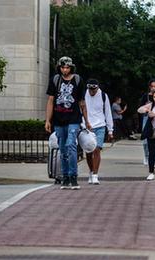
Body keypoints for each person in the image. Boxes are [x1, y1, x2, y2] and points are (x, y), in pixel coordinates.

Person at [45, 56, 91, 190]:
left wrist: (87, 120)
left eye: (67, 67)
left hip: (73, 118)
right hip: (59, 119)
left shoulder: (77, 80)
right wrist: (48, 120)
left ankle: (73, 176)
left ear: (71, 67)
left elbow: (82, 102)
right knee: (62, 149)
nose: (65, 70)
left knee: (71, 145)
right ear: (59, 68)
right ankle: (65, 176)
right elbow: (51, 100)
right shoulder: (55, 80)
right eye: (62, 67)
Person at [84, 78, 114, 185]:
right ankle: (91, 172)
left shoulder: (103, 96)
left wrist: (110, 130)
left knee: (96, 149)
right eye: (90, 89)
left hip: (100, 126)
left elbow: (108, 113)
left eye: (94, 89)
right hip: (87, 127)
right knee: (88, 151)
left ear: (97, 88)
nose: (92, 91)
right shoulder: (83, 95)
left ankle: (95, 175)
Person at [139, 78, 155, 166]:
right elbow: (140, 108)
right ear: (149, 87)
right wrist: (147, 110)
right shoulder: (145, 96)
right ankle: (146, 156)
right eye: (152, 86)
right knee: (145, 140)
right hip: (146, 118)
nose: (153, 88)